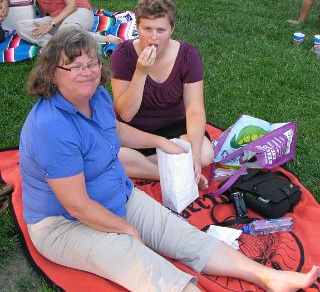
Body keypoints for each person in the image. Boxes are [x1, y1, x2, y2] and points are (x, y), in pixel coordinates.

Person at [20, 27, 320, 292]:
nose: (87, 71)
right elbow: (77, 204)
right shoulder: (51, 127)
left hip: (117, 196)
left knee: (182, 235)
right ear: (52, 74)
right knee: (144, 265)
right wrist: (126, 229)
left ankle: (267, 277)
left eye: (92, 63)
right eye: (74, 66)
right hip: (66, 224)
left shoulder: (95, 95)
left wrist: (160, 142)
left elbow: (115, 128)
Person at [110, 0, 213, 188]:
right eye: (147, 29)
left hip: (174, 127)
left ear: (172, 29)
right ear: (137, 27)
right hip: (136, 132)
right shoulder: (122, 55)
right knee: (116, 154)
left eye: (161, 30)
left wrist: (196, 154)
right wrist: (140, 73)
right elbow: (125, 113)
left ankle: (148, 167)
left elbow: (195, 109)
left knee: (206, 154)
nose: (153, 37)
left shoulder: (188, 55)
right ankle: (172, 174)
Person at [15, 0, 122, 47]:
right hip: (56, 18)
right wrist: (44, 21)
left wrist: (50, 24)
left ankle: (106, 39)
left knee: (65, 32)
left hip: (79, 11)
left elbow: (72, 5)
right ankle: (54, 45)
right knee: (21, 26)